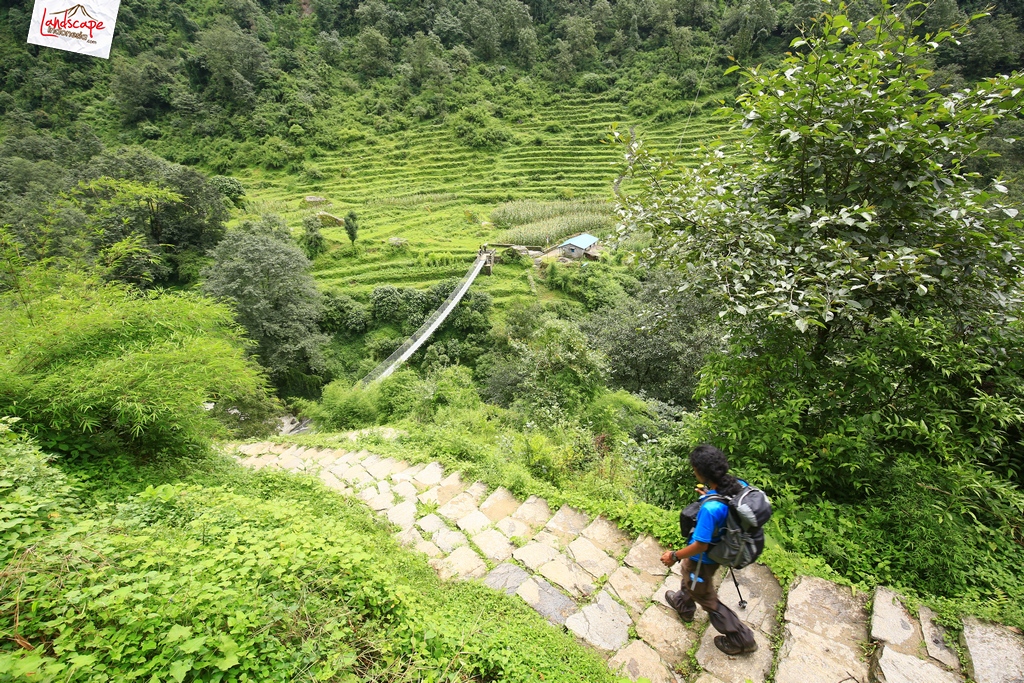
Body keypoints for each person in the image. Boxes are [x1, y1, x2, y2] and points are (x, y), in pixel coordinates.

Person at [659, 444, 758, 655]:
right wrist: (709, 494)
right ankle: (683, 604)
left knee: (705, 596)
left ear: (701, 472)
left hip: (705, 558)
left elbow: (700, 545)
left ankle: (741, 638)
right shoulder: (737, 485)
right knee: (689, 574)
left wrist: (674, 555)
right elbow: (725, 506)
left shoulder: (711, 509)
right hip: (720, 548)